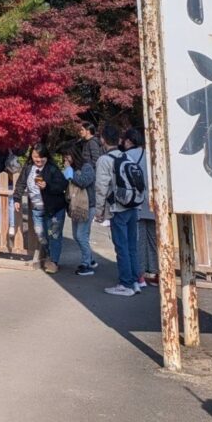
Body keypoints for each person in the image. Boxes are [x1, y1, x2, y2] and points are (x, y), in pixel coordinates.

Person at [94, 124, 145, 297]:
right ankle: (136, 281)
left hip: (118, 208)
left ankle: (126, 284)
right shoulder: (126, 157)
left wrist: (99, 211)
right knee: (132, 246)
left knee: (121, 247)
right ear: (119, 140)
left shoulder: (105, 160)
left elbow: (101, 188)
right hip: (133, 205)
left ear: (102, 139)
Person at [13, 143, 68, 273]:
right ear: (31, 156)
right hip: (37, 209)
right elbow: (20, 183)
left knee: (54, 235)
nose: (38, 160)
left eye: (41, 157)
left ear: (46, 156)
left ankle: (53, 262)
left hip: (54, 208)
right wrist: (17, 198)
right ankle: (49, 256)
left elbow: (63, 185)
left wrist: (47, 186)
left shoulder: (52, 169)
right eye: (35, 156)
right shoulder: (28, 168)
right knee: (41, 235)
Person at [66, 145, 97, 276]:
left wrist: (70, 173)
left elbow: (83, 182)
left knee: (81, 235)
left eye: (67, 156)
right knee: (76, 235)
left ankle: (86, 264)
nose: (65, 159)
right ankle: (89, 259)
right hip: (75, 206)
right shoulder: (71, 168)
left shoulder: (87, 167)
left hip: (87, 206)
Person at [132, 130, 157, 286]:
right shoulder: (155, 157)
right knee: (154, 240)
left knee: (139, 241)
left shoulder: (131, 156)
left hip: (139, 204)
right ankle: (157, 273)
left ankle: (140, 274)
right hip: (155, 204)